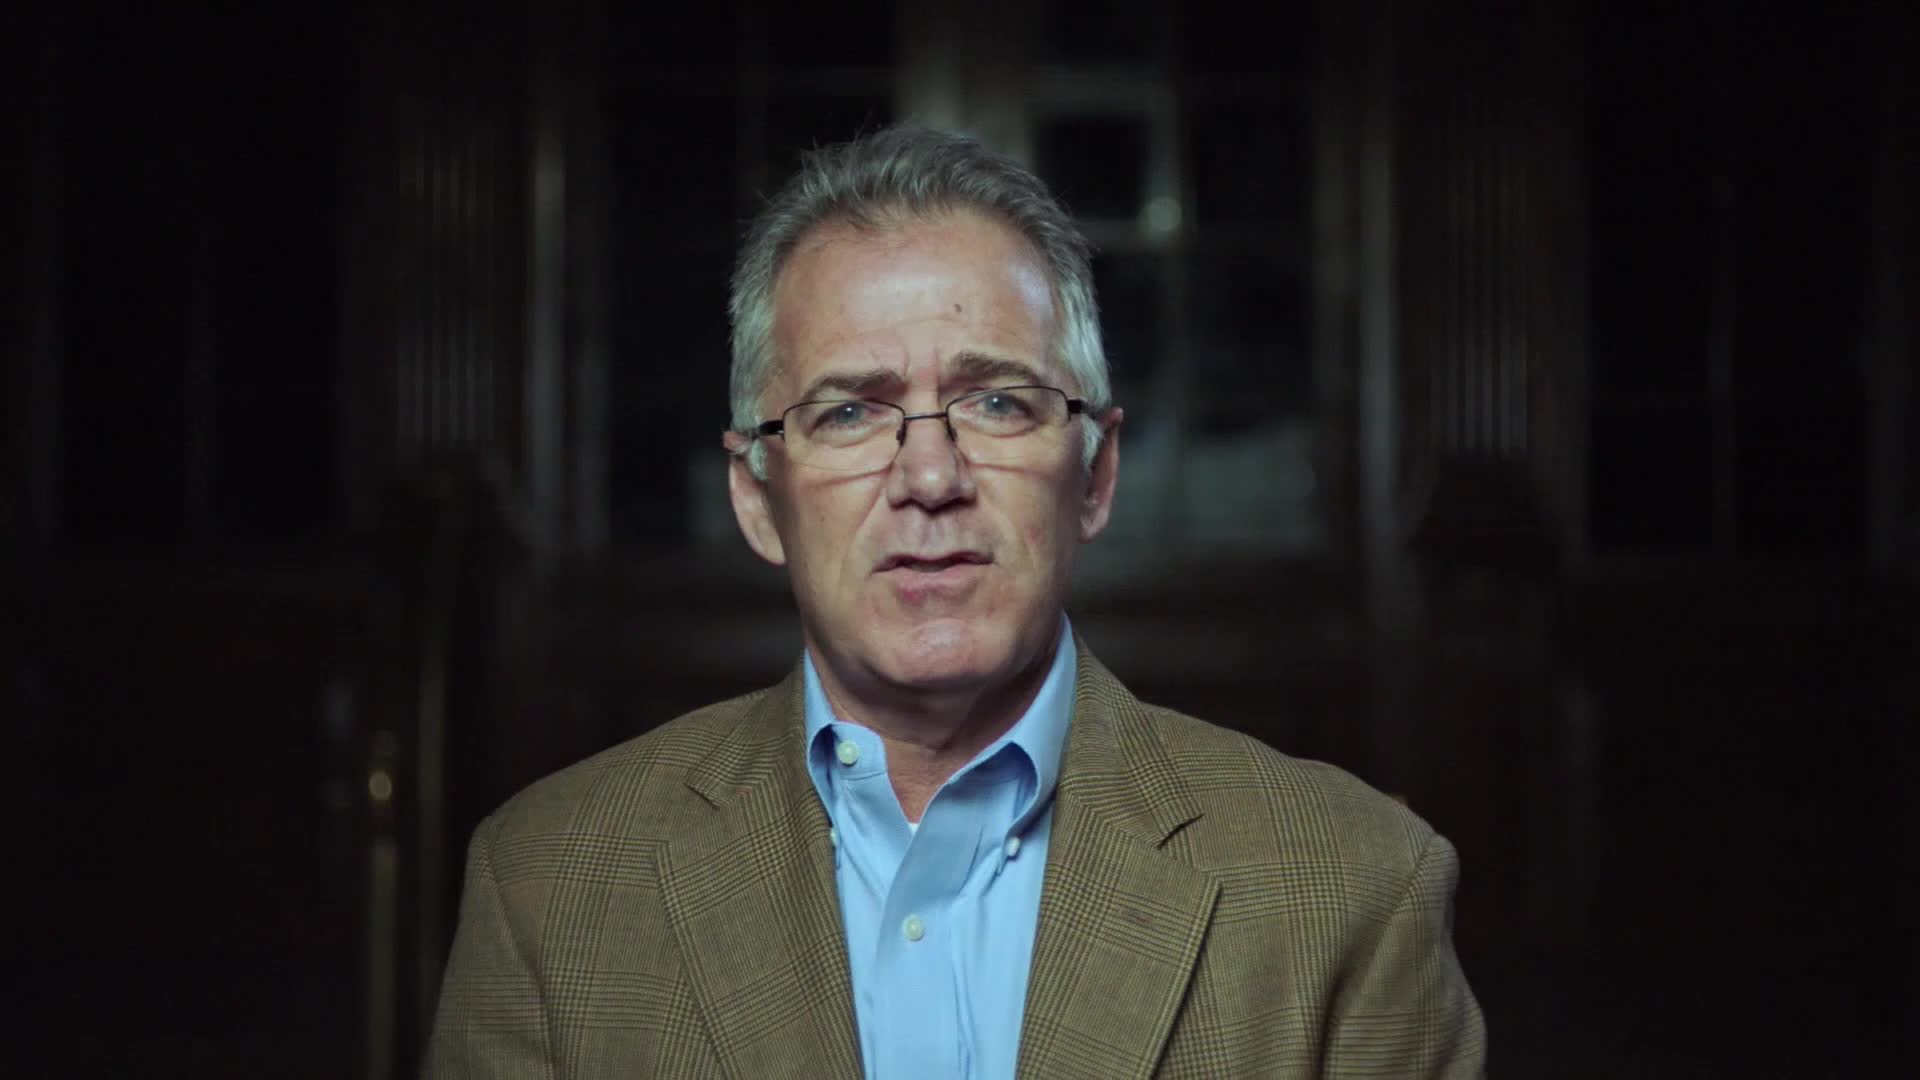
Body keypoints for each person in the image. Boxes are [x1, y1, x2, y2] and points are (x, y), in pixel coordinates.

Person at [425, 125, 1486, 1078]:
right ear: (757, 497)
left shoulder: (1352, 890)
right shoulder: (547, 888)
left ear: (1096, 475)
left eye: (996, 401)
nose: (931, 477)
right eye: (848, 412)